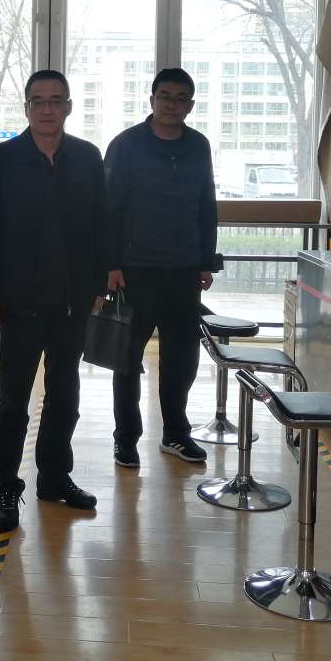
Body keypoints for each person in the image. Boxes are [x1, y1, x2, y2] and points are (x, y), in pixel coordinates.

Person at [0, 70, 107, 532]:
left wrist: (98, 284)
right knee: (13, 400)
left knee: (65, 396)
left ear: (68, 106)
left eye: (55, 101)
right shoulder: (1, 160)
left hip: (72, 301)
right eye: (38, 101)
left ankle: (54, 477)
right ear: (26, 108)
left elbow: (99, 223)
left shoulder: (87, 158)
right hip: (19, 301)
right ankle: (7, 488)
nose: (47, 109)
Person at [104, 68, 217, 468]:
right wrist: (110, 264)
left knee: (182, 360)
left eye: (181, 98)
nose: (172, 104)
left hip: (184, 271)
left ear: (190, 105)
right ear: (152, 100)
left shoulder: (198, 146)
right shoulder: (126, 145)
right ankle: (125, 439)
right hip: (134, 271)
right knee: (126, 360)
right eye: (165, 96)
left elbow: (206, 204)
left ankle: (176, 435)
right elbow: (109, 209)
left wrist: (205, 260)